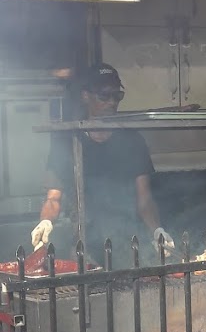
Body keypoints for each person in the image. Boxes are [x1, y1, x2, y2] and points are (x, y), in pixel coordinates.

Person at [31, 62, 174, 263]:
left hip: (127, 241)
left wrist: (157, 229)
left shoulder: (132, 141)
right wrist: (45, 221)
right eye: (104, 96)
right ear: (85, 96)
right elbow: (54, 197)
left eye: (117, 96)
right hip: (83, 244)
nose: (111, 102)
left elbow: (145, 199)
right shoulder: (68, 140)